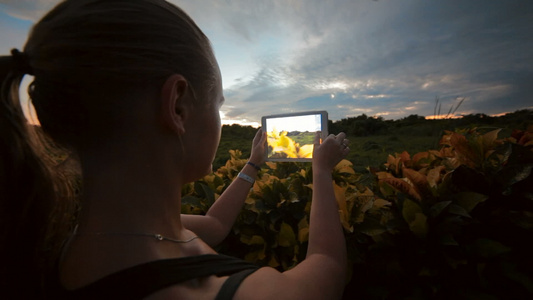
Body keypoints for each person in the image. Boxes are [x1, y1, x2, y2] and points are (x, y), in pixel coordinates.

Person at [0, 0, 351, 299]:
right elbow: (328, 267)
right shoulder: (220, 292)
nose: (218, 117)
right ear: (178, 106)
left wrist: (253, 164)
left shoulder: (45, 245)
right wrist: (321, 172)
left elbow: (214, 224)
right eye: (217, 103)